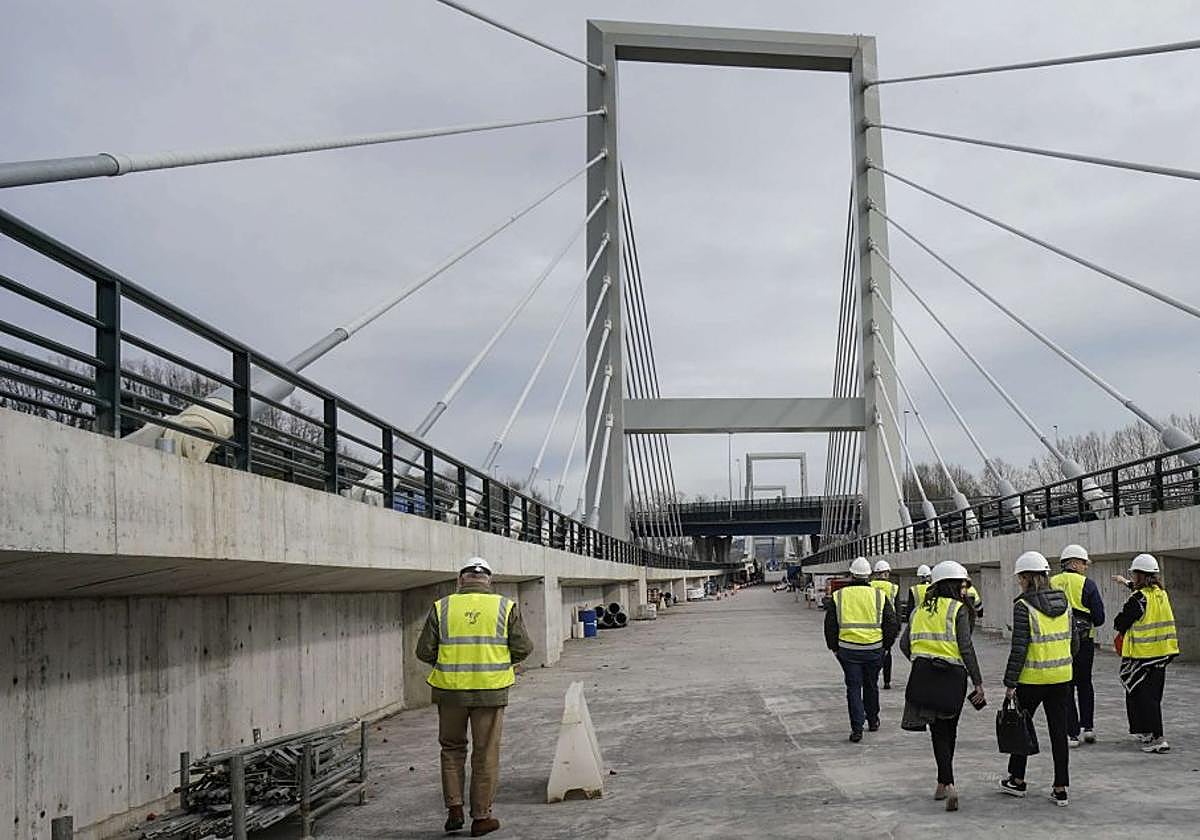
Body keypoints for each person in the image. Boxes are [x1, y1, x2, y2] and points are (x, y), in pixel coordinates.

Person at [416, 557, 534, 836]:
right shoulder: (504, 606)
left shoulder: (442, 607)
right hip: (490, 692)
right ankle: (481, 818)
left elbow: (424, 651)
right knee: (485, 753)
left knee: (452, 749)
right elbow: (524, 647)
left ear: (460, 580)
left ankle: (454, 808)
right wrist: (504, 660)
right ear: (489, 581)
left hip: (450, 691)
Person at [900, 560, 985, 812]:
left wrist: (920, 661)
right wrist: (977, 681)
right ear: (951, 585)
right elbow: (966, 648)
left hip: (924, 675)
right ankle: (948, 784)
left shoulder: (918, 611)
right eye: (961, 585)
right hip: (953, 676)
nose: (964, 590)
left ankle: (943, 782)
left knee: (937, 731)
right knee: (950, 729)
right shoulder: (958, 610)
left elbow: (904, 645)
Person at [999, 551, 1076, 807]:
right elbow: (1074, 642)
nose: (1019, 582)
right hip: (1062, 678)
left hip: (1031, 679)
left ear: (1027, 577)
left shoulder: (1023, 606)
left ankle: (1017, 780)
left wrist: (1010, 683)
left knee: (1022, 727)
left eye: (1020, 577)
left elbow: (1019, 648)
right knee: (1058, 732)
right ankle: (1060, 787)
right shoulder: (1064, 602)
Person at [825, 556, 899, 742]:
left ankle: (857, 728)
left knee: (853, 688)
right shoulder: (878, 595)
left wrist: (834, 647)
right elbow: (892, 623)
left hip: (848, 651)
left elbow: (830, 625)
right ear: (869, 575)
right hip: (874, 649)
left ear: (851, 575)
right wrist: (886, 646)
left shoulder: (839, 596)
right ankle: (873, 720)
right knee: (871, 685)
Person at [1112, 553, 1179, 754]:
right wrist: (1125, 583)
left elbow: (1120, 621)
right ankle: (1147, 731)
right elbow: (1142, 594)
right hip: (1162, 654)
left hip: (1143, 657)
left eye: (1134, 574)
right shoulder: (1161, 594)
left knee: (1145, 697)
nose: (1132, 577)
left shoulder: (1139, 599)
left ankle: (1158, 738)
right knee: (1150, 696)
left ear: (1140, 575)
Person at [1049, 544, 1106, 746]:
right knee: (1085, 684)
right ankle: (1088, 728)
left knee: (1066, 687)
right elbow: (1099, 618)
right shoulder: (1087, 585)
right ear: (1074, 563)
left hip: (1059, 643)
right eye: (1083, 563)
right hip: (1084, 642)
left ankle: (1071, 733)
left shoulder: (1050, 582)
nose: (1085, 567)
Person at [870, 559, 901, 689]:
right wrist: (897, 627)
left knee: (874, 652)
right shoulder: (894, 588)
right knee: (887, 652)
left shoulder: (870, 586)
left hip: (873, 622)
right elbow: (897, 609)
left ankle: (873, 677)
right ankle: (887, 681)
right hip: (889, 624)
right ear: (887, 573)